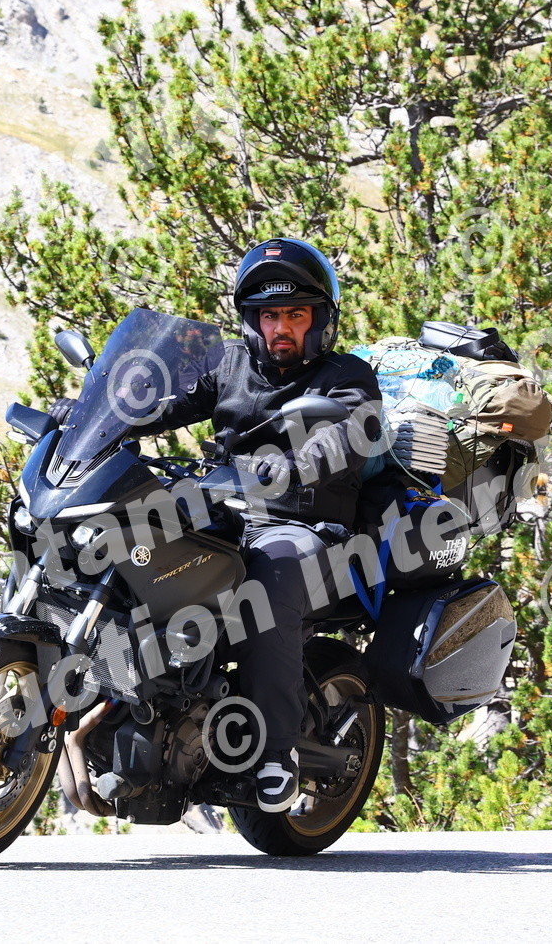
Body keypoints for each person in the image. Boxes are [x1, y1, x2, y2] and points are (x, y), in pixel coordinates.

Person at [135, 237, 383, 812]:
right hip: (225, 512)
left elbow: (349, 434)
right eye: (269, 316)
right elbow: (166, 401)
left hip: (306, 530)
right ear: (252, 321)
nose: (281, 329)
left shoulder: (348, 375)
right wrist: (97, 415)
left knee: (268, 579)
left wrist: (295, 464)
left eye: (296, 315)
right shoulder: (230, 366)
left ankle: (277, 754)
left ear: (320, 319)